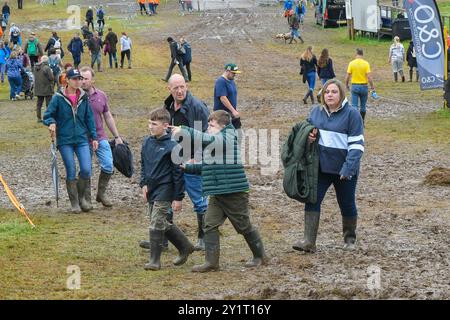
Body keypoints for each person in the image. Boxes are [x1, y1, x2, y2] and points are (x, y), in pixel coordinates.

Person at [171, 110, 268, 272]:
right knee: (209, 224)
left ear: (223, 126)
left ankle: (260, 256)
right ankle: (211, 262)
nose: (208, 128)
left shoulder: (228, 137)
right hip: (218, 193)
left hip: (234, 193)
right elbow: (208, 166)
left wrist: (185, 130)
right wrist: (188, 167)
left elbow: (209, 139)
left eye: (211, 125)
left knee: (244, 226)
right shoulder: (216, 141)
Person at [292, 79, 364, 253]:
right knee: (312, 200)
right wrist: (309, 139)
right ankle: (309, 241)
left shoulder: (352, 114)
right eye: (327, 92)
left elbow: (357, 146)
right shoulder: (316, 112)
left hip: (344, 170)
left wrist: (348, 168)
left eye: (334, 92)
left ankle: (349, 239)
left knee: (346, 203)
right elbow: (307, 133)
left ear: (341, 94)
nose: (330, 95)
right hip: (320, 168)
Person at [140, 108, 194, 271]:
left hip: (166, 189)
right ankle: (185, 246)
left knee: (156, 222)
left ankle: (154, 261)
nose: (150, 126)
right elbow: (143, 165)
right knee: (160, 221)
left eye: (154, 124)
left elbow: (178, 174)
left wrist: (178, 197)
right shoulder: (147, 142)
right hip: (151, 188)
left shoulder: (173, 146)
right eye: (149, 123)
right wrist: (143, 183)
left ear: (165, 126)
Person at [163, 73, 209, 250]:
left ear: (187, 86)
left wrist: (195, 159)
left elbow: (203, 135)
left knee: (199, 199)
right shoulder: (168, 105)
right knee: (165, 196)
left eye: (182, 86)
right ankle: (164, 240)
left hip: (191, 161)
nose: (180, 90)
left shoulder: (197, 107)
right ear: (170, 89)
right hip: (173, 159)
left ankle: (203, 238)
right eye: (176, 88)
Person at [43, 68, 98, 213]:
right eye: (75, 78)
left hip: (82, 138)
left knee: (86, 169)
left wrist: (94, 137)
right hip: (65, 140)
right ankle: (74, 202)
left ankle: (82, 198)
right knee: (71, 170)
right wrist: (51, 122)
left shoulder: (84, 97)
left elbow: (89, 118)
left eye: (80, 78)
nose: (78, 81)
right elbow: (47, 115)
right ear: (67, 80)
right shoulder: (58, 97)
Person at [80, 66, 123, 209]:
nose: (83, 81)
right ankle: (86, 199)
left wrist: (117, 136)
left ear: (92, 80)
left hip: (100, 136)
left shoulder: (101, 96)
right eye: (81, 78)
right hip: (82, 139)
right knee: (86, 169)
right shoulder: (76, 97)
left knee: (108, 165)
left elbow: (107, 116)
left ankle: (101, 194)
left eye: (86, 79)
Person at [345, 48, 375, 124]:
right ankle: (362, 121)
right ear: (362, 54)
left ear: (356, 54)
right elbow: (369, 77)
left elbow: (348, 76)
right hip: (364, 86)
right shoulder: (366, 63)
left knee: (354, 106)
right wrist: (372, 87)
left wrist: (346, 85)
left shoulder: (351, 63)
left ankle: (355, 122)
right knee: (363, 106)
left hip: (354, 86)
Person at [213, 63, 242, 129]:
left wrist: (234, 111)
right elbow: (223, 98)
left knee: (236, 133)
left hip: (230, 113)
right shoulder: (221, 81)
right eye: (233, 73)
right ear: (227, 71)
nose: (235, 75)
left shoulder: (231, 81)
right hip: (222, 115)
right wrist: (233, 111)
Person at [33, 55, 54, 122]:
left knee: (39, 104)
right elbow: (51, 78)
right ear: (47, 61)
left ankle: (39, 118)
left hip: (38, 88)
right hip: (47, 88)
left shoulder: (35, 67)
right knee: (49, 104)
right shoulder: (47, 68)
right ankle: (48, 117)